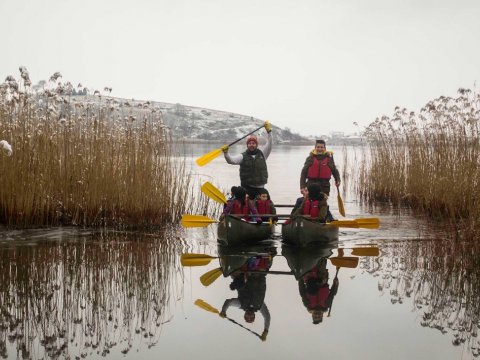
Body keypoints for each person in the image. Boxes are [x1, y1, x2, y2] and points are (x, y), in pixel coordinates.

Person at [220, 253, 272, 341]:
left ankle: (242, 257)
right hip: (260, 273)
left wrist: (223, 311)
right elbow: (267, 317)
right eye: (251, 318)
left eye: (247, 317)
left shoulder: (241, 304)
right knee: (264, 264)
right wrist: (266, 331)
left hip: (245, 274)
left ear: (245, 315)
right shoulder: (259, 306)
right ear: (254, 316)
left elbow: (228, 302)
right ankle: (261, 255)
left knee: (233, 277)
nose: (249, 316)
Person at [222, 121, 273, 199]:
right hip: (247, 188)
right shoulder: (242, 156)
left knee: (263, 206)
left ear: (256, 145)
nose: (251, 145)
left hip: (261, 188)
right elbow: (231, 160)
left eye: (253, 143)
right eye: (250, 143)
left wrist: (269, 131)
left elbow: (270, 143)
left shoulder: (263, 154)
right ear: (247, 145)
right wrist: (226, 153)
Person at [298, 257, 339, 324]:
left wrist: (300, 279)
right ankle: (322, 255)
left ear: (312, 315)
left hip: (309, 277)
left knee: (308, 262)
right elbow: (332, 293)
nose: (317, 315)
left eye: (315, 316)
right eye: (319, 316)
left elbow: (302, 292)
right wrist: (336, 284)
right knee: (321, 261)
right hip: (322, 278)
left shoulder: (308, 305)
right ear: (322, 315)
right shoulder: (326, 305)